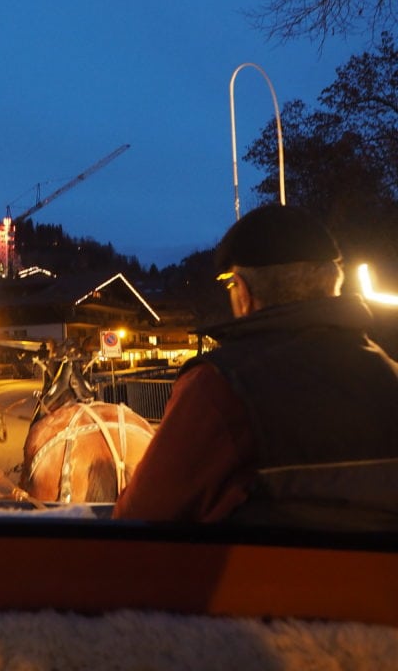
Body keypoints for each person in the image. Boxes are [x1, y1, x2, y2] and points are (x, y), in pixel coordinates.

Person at [113, 204, 398, 529]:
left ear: (243, 291)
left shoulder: (220, 385)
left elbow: (139, 515)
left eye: (230, 285)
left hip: (261, 578)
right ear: (334, 284)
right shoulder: (388, 372)